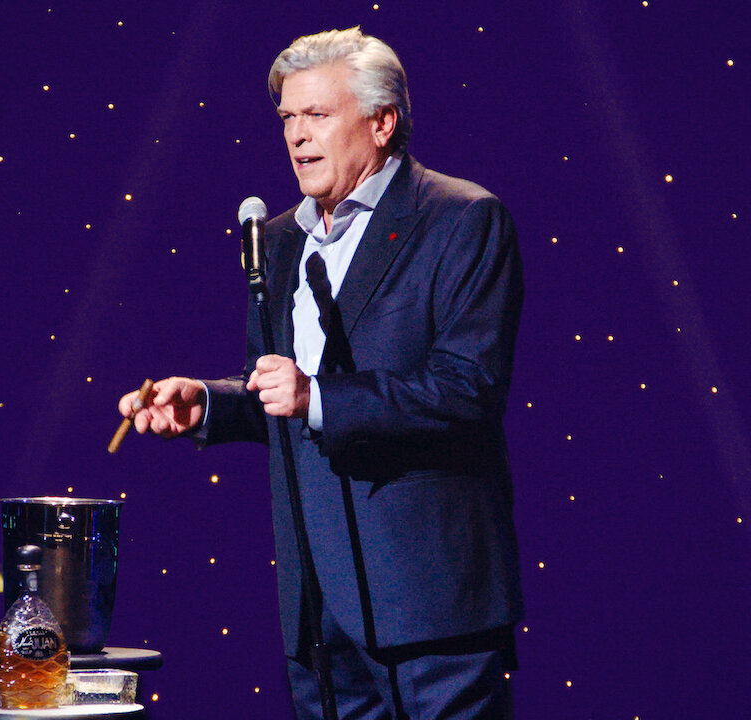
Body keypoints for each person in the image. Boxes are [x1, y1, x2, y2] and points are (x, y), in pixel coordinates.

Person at [117, 27, 523, 720]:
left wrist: (316, 395)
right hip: (317, 608)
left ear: (382, 122)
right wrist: (209, 403)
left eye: (317, 115)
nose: (297, 136)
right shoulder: (278, 240)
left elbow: (467, 390)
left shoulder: (461, 219)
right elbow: (280, 395)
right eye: (287, 118)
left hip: (430, 606)